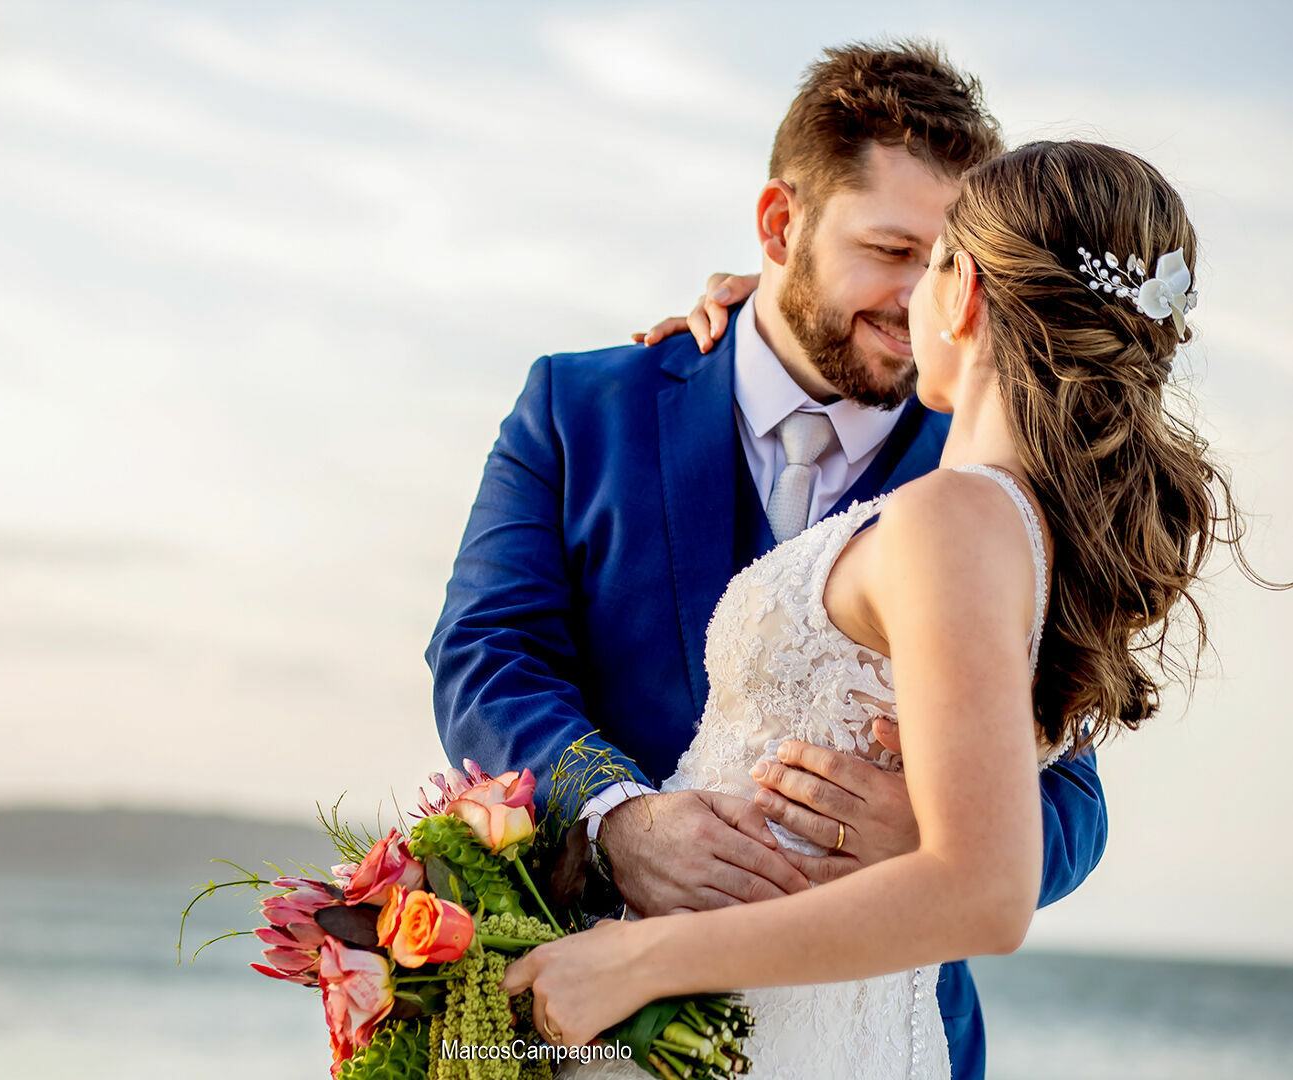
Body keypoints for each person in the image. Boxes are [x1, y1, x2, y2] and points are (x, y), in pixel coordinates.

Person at [500, 138, 1279, 1077]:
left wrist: (641, 956)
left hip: (764, 1020)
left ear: (965, 295)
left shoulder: (955, 518)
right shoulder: (1017, 521)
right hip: (786, 1017)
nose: (910, 295)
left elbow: (986, 893)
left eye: (935, 258)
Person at [427, 42, 1108, 1077]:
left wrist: (924, 835)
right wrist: (616, 820)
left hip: (869, 1033)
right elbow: (486, 655)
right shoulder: (581, 408)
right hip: (599, 1014)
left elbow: (1069, 799)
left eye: (945, 262)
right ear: (780, 227)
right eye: (889, 250)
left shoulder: (985, 478)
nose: (919, 298)